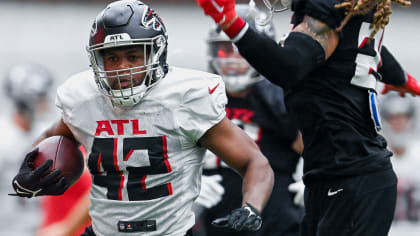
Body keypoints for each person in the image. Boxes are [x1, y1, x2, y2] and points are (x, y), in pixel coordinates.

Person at [9, 1, 274, 236]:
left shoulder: (184, 99)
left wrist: (251, 207)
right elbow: (49, 141)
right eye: (112, 57)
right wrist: (29, 174)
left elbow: (254, 162)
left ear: (156, 54)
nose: (122, 67)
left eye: (133, 56)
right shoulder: (84, 99)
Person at [196, 0, 420, 235]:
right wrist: (401, 78)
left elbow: (288, 68)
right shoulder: (342, 16)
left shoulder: (325, 15)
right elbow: (364, 46)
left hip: (351, 176)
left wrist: (233, 24)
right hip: (335, 174)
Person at [195, 3, 304, 236]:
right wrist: (187, 185)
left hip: (273, 219)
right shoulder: (199, 98)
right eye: (225, 49)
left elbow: (320, 148)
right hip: (212, 216)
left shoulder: (280, 97)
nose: (232, 59)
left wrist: (314, 180)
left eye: (240, 49)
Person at [0, 63, 53, 235]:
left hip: (39, 223)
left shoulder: (46, 131)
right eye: (41, 96)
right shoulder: (4, 136)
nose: (46, 101)